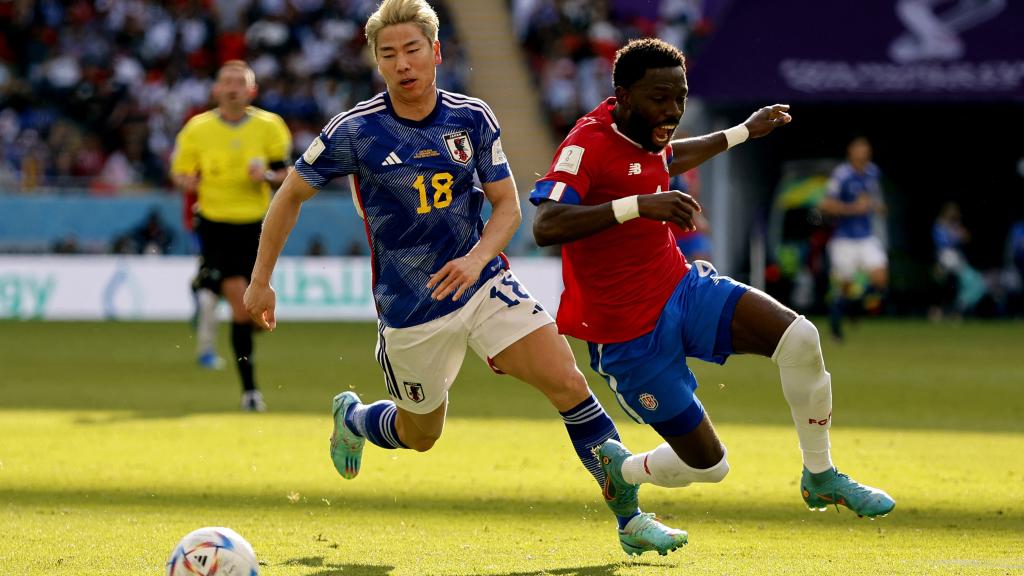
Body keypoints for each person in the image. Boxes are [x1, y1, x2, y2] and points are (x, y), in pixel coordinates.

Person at [243, 0, 686, 557]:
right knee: (421, 435)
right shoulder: (355, 132)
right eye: (388, 54)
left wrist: (477, 260)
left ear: (435, 52)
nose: (402, 64)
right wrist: (260, 280)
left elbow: (506, 207)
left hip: (484, 283)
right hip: (412, 306)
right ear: (376, 62)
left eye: (411, 50)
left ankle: (630, 519)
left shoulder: (470, 118)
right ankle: (355, 419)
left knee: (569, 384)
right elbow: (290, 195)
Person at [529, 39, 895, 537]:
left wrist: (744, 131)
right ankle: (624, 471)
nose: (673, 110)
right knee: (709, 467)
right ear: (624, 95)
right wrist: (639, 206)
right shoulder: (585, 144)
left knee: (800, 338)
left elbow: (669, 157)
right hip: (626, 336)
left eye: (680, 97)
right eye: (660, 98)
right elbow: (546, 224)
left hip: (680, 288)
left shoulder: (649, 136)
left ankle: (821, 475)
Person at [171, 60, 292, 411]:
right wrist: (187, 183)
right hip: (214, 223)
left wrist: (267, 177)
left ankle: (204, 284)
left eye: (241, 81)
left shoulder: (270, 126)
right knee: (241, 306)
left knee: (249, 311)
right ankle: (251, 391)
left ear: (252, 91)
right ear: (216, 90)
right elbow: (179, 173)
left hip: (256, 226)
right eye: (227, 81)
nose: (233, 87)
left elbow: (287, 173)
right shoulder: (197, 129)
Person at [819, 136, 889, 341]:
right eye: (859, 150)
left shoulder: (873, 173)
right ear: (851, 152)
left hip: (866, 236)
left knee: (880, 279)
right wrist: (853, 209)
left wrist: (876, 207)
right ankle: (835, 327)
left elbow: (872, 200)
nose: (863, 154)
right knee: (844, 286)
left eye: (866, 150)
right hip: (844, 239)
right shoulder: (842, 176)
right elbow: (826, 205)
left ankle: (853, 308)